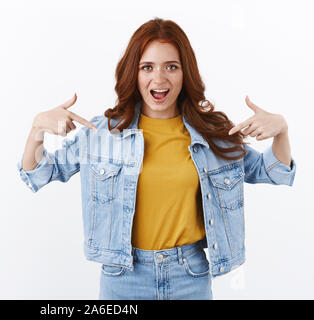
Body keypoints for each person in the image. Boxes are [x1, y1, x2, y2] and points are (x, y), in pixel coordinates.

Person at [17, 18, 296, 300]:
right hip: (123, 279)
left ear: (185, 73)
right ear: (133, 74)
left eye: (171, 67)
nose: (159, 79)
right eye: (147, 67)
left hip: (190, 277)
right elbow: (38, 172)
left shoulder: (212, 136)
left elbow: (272, 171)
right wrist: (37, 129)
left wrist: (281, 130)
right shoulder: (103, 134)